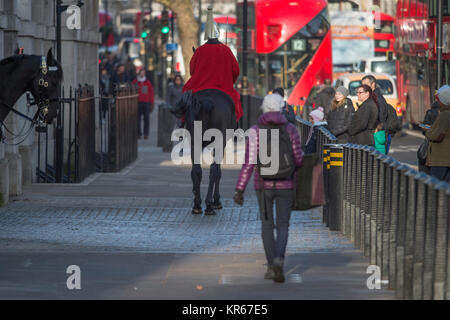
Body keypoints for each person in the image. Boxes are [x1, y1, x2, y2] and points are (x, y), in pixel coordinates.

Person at [233, 93, 304, 283]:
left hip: (263, 184)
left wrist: (239, 189)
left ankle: (271, 265)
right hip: (286, 184)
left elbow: (248, 163)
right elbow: (298, 159)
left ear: (263, 108)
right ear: (281, 108)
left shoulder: (256, 130)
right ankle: (280, 259)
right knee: (283, 225)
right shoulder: (290, 129)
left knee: (266, 225)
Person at [174, 7, 242, 125]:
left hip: (200, 86)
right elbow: (236, 70)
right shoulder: (226, 50)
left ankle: (182, 123)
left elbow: (192, 70)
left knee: (186, 93)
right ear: (218, 34)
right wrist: (230, 80)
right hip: (222, 87)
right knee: (235, 100)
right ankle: (236, 126)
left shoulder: (200, 51)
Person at [424, 85, 450, 182]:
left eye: (438, 99)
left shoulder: (445, 114)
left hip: (441, 160)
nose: (437, 102)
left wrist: (428, 131)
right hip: (446, 159)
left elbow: (437, 135)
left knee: (435, 187)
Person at [361, 75, 391, 152]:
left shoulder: (376, 98)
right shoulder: (372, 97)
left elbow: (381, 116)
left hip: (377, 134)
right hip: (376, 133)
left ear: (373, 84)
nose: (363, 87)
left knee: (378, 160)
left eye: (366, 85)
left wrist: (377, 128)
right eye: (362, 85)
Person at [132, 69, 154, 139]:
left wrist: (152, 103)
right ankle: (138, 133)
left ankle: (146, 134)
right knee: (137, 118)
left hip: (146, 102)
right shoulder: (135, 82)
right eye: (141, 73)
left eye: (143, 73)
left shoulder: (148, 82)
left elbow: (151, 93)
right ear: (139, 73)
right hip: (138, 102)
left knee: (146, 118)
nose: (142, 74)